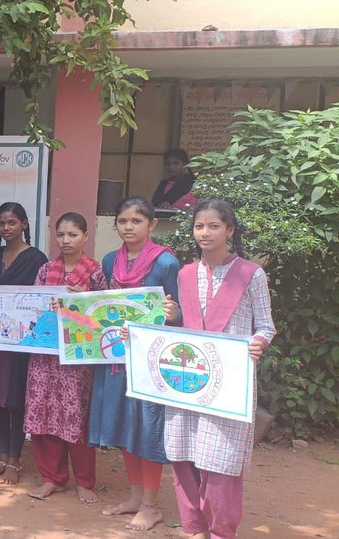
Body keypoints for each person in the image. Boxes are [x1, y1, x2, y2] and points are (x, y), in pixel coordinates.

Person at [164, 198, 274, 539]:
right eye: (199, 226)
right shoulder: (184, 274)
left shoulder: (251, 274)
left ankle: (222, 531)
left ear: (229, 230)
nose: (205, 232)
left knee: (221, 459)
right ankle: (193, 527)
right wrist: (170, 319)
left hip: (231, 381)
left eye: (213, 226)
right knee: (182, 453)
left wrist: (259, 342)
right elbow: (182, 327)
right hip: (187, 376)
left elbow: (266, 325)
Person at [91, 196, 181, 531]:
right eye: (123, 221)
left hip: (151, 361)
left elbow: (179, 313)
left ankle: (151, 504)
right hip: (115, 358)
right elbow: (101, 303)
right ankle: (133, 497)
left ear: (152, 224)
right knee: (125, 427)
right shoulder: (109, 260)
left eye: (136, 221)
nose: (128, 227)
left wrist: (174, 314)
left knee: (146, 428)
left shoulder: (166, 263)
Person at [25, 212, 107, 502]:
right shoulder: (46, 270)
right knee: (43, 414)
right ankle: (52, 478)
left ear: (86, 236)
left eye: (73, 234)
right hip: (45, 355)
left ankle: (84, 481)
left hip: (77, 359)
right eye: (60, 235)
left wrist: (80, 302)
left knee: (75, 417)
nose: (66, 240)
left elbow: (104, 317)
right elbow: (31, 308)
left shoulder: (95, 272)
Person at [0, 203, 48, 485]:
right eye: (1, 224)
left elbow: (41, 297)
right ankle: (2, 456)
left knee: (15, 399)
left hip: (21, 342)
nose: (6, 229)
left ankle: (16, 461)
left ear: (24, 225)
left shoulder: (36, 258)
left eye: (12, 223)